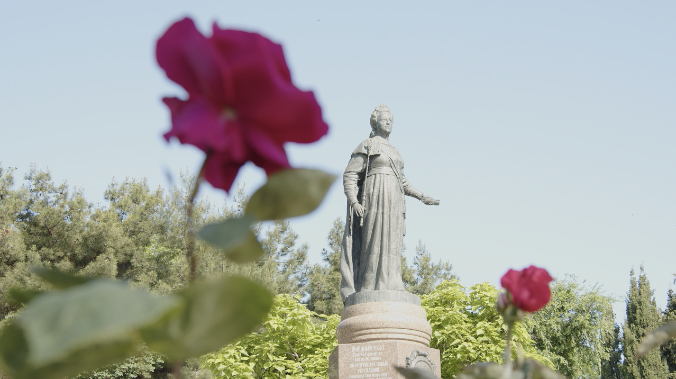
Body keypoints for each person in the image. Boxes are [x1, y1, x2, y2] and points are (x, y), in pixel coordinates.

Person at [340, 104, 440, 302]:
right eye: (385, 118)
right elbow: (350, 175)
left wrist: (422, 196)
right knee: (373, 240)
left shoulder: (395, 151)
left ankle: (393, 283)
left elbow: (403, 182)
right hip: (374, 197)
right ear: (375, 122)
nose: (389, 122)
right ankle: (369, 285)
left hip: (394, 201)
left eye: (391, 119)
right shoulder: (366, 146)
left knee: (392, 244)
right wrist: (354, 201)